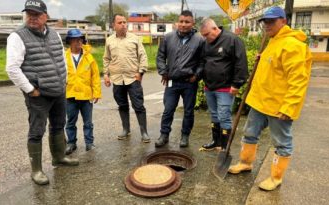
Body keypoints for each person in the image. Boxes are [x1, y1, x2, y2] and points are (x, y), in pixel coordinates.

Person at [228, 6, 312, 191]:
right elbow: (274, 68)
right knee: (249, 134)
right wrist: (263, 57)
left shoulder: (293, 45)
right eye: (265, 21)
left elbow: (298, 80)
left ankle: (276, 178)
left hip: (278, 106)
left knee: (282, 143)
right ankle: (245, 163)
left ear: (283, 21)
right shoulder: (273, 41)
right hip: (259, 102)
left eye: (271, 21)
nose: (267, 25)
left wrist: (289, 107)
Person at [6, 0, 79, 186]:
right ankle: (36, 170)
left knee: (58, 125)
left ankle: (59, 158)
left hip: (58, 90)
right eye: (29, 14)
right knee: (36, 131)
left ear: (45, 16)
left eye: (36, 14)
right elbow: (12, 68)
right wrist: (31, 90)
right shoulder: (17, 37)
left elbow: (61, 58)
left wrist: (64, 81)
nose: (32, 17)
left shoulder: (53, 34)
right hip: (39, 94)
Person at [156, 10, 204, 148]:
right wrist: (164, 72)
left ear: (192, 23)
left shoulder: (199, 40)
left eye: (187, 22)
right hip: (172, 82)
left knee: (188, 111)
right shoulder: (168, 37)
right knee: (168, 109)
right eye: (181, 21)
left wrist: (196, 75)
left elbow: (202, 61)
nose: (183, 24)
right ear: (178, 22)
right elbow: (160, 57)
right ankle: (164, 135)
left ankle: (185, 136)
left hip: (189, 83)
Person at [199, 18, 248, 151]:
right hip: (209, 86)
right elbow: (203, 61)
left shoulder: (232, 40)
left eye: (207, 34)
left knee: (224, 116)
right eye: (203, 35)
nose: (205, 38)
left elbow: (241, 63)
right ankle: (216, 142)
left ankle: (225, 148)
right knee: (214, 115)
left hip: (225, 87)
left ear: (215, 29)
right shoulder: (206, 43)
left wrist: (237, 84)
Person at [103, 14, 150, 143]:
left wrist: (140, 73)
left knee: (139, 105)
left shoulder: (135, 38)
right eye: (120, 22)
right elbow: (106, 58)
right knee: (122, 105)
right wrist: (106, 75)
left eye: (125, 22)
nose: (123, 24)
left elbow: (143, 56)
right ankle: (126, 129)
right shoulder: (109, 40)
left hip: (133, 78)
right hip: (117, 79)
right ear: (114, 25)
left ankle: (144, 132)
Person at [64, 29, 101, 155]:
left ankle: (89, 143)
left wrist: (96, 93)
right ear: (69, 41)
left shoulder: (88, 57)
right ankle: (71, 143)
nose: (78, 42)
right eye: (75, 39)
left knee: (88, 122)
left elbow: (95, 76)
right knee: (70, 122)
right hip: (70, 95)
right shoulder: (64, 57)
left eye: (80, 39)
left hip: (86, 96)